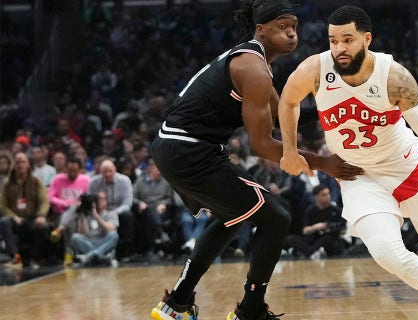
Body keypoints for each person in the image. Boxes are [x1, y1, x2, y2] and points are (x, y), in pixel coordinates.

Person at [278, 5, 418, 320]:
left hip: (405, 166)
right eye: (333, 40)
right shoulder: (314, 70)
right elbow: (287, 100)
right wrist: (289, 148)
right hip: (357, 175)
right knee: (386, 252)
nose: (339, 48)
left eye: (348, 40)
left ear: (367, 39)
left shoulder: (394, 77)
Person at [149, 2, 363, 320]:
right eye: (282, 26)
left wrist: (335, 104)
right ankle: (250, 311)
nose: (291, 32)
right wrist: (323, 163)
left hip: (179, 148)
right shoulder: (254, 69)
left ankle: (176, 303)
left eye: (294, 26)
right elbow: (262, 145)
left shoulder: (255, 61)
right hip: (189, 150)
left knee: (231, 217)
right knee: (276, 217)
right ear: (261, 29)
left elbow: (280, 118)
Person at [0, 152, 50, 268]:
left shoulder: (36, 182)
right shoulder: (7, 184)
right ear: (14, 165)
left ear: (28, 165)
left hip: (32, 218)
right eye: (18, 162)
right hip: (16, 219)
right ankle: (15, 257)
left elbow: (44, 201)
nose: (20, 165)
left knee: (42, 226)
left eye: (23, 162)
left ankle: (35, 259)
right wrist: (14, 217)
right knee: (4, 222)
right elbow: (2, 205)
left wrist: (41, 215)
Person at [285, 184, 348, 259]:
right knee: (291, 238)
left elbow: (343, 230)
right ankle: (314, 252)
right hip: (314, 239)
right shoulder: (310, 211)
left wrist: (331, 228)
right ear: (317, 197)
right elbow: (305, 231)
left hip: (330, 240)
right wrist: (315, 227)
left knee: (327, 239)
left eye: (328, 193)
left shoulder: (337, 210)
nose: (328, 196)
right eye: (324, 194)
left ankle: (308, 253)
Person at [56, 192, 119, 266]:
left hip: (103, 242)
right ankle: (101, 257)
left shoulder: (111, 213)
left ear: (106, 201)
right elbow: (84, 233)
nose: (99, 201)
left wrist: (96, 215)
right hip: (88, 243)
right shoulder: (87, 213)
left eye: (101, 199)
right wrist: (82, 214)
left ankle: (91, 256)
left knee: (114, 235)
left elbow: (110, 229)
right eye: (97, 199)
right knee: (75, 237)